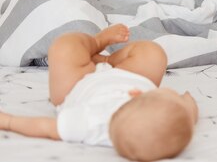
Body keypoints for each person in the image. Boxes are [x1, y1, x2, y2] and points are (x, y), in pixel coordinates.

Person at [0, 24, 199, 161]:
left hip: (78, 84)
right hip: (125, 74)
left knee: (64, 46)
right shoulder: (170, 124)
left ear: (137, 94)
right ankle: (105, 61)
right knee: (153, 53)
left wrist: (8, 122)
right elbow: (183, 119)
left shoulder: (89, 123)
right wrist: (188, 106)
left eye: (166, 94)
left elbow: (45, 128)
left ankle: (96, 43)